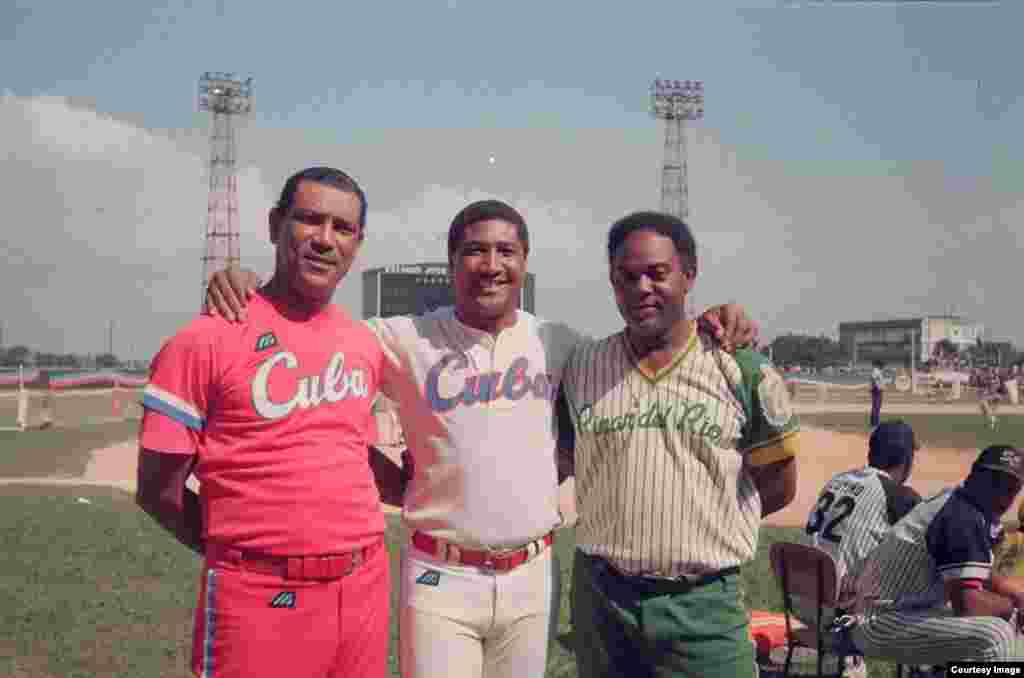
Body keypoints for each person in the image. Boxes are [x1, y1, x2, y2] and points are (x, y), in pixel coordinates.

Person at [205, 200, 759, 678]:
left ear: (523, 264)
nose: (490, 266)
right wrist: (255, 288)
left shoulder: (560, 343)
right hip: (440, 573)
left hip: (533, 573)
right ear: (451, 263)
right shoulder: (402, 338)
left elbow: (653, 336)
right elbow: (314, 351)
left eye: (505, 252)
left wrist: (719, 315)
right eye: (474, 251)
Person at [136, 167, 392, 678]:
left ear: (358, 243)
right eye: (309, 220)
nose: (325, 239)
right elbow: (157, 491)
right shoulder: (204, 339)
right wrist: (244, 556)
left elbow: (346, 451)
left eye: (342, 228)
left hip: (363, 586)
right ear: (276, 225)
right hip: (255, 595)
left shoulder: (364, 344)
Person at [555, 211, 800, 678]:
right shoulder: (582, 366)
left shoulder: (740, 368)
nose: (641, 287)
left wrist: (700, 525)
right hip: (603, 603)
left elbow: (780, 486)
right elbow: (567, 461)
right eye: (626, 277)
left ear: (689, 275)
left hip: (702, 605)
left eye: (657, 273)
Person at [849, 445, 1024, 668]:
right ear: (976, 476)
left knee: (1003, 625)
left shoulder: (965, 505)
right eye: (996, 482)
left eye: (1012, 488)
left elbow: (978, 572)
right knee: (995, 635)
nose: (1004, 496)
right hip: (880, 621)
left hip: (905, 612)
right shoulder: (960, 516)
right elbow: (968, 605)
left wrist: (1017, 595)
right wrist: (1013, 608)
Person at [804, 421, 923, 619]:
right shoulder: (899, 496)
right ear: (906, 460)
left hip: (805, 600)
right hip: (846, 609)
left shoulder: (837, 480)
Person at [870, 360, 884, 428]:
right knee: (876, 407)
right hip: (877, 390)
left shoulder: (877, 371)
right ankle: (875, 423)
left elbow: (874, 379)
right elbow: (873, 379)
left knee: (876, 407)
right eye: (882, 365)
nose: (883, 367)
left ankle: (874, 422)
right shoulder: (876, 371)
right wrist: (876, 386)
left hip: (877, 390)